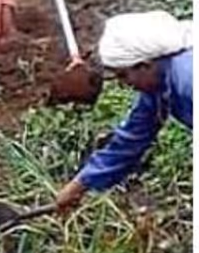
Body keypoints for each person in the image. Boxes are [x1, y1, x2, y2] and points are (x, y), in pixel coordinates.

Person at [54, 11, 192, 212]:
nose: (124, 85)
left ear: (144, 65)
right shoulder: (157, 85)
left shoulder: (188, 79)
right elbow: (130, 140)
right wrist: (79, 185)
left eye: (123, 76)